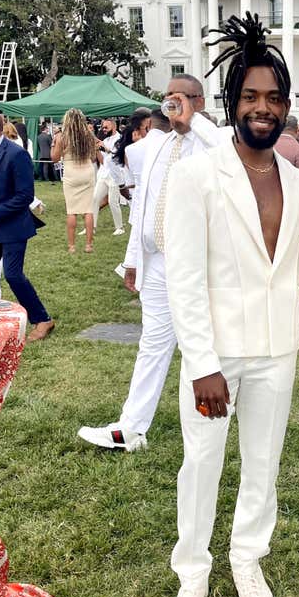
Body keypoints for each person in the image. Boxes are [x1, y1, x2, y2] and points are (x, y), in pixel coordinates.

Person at [161, 13, 299, 597]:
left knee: (263, 462)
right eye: (251, 97)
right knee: (201, 462)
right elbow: (183, 277)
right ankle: (192, 573)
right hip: (216, 354)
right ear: (232, 102)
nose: (263, 108)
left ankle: (248, 558)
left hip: (278, 346)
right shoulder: (198, 174)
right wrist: (201, 362)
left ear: (287, 105)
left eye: (274, 98)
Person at [77, 76, 219, 453]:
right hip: (156, 261)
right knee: (153, 343)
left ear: (200, 102)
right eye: (168, 98)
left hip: (197, 266)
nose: (174, 104)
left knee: (200, 345)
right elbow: (142, 204)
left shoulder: (212, 144)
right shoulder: (155, 146)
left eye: (183, 98)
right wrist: (132, 261)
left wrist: (195, 121)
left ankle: (208, 421)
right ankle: (131, 428)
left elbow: (231, 156)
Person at [0, 107, 55, 341]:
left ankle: (42, 319)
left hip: (12, 225)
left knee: (13, 275)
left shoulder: (16, 154)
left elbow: (24, 196)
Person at [51, 108, 99, 253]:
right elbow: (93, 157)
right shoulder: (89, 135)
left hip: (71, 172)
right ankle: (89, 245)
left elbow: (54, 158)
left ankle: (72, 246)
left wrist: (54, 144)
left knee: (71, 210)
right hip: (87, 170)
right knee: (88, 209)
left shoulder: (62, 137)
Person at [91, 121, 126, 236]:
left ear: (114, 126)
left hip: (115, 175)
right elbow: (102, 161)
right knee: (95, 199)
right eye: (102, 127)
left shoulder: (120, 139)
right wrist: (97, 150)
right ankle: (92, 227)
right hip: (103, 174)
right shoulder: (105, 140)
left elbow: (116, 158)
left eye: (106, 127)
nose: (103, 129)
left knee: (112, 201)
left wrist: (105, 149)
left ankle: (120, 227)